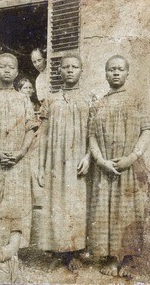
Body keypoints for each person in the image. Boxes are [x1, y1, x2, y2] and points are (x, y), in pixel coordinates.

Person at [88, 55, 150, 279]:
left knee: (128, 210)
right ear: (105, 74)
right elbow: (92, 137)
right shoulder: (98, 103)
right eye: (111, 69)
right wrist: (101, 161)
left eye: (120, 69)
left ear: (127, 73)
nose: (115, 73)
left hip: (130, 167)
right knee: (105, 211)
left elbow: (147, 130)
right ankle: (109, 257)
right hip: (106, 167)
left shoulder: (136, 99)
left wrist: (132, 157)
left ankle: (127, 257)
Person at [38, 54, 96, 270]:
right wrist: (41, 165)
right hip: (56, 160)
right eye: (66, 67)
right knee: (57, 204)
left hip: (79, 160)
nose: (70, 70)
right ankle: (59, 251)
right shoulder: (51, 99)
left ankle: (76, 252)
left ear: (81, 70)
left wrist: (89, 156)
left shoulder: (90, 98)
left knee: (77, 204)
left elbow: (95, 132)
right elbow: (42, 134)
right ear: (59, 71)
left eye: (75, 66)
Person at [0, 53, 39, 248]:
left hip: (17, 162)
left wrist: (20, 153)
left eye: (11, 67)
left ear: (17, 72)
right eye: (2, 66)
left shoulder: (23, 99)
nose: (6, 70)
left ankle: (14, 249)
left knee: (17, 202)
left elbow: (31, 129)